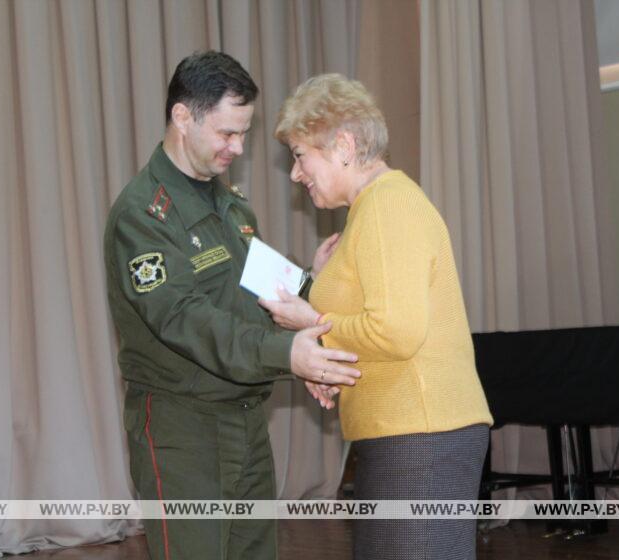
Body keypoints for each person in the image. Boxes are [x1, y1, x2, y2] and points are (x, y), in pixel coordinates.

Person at [103, 52, 361, 560]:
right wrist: (288, 355)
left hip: (245, 423)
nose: (238, 148)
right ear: (182, 117)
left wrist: (312, 287)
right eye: (226, 133)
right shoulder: (143, 215)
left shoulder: (230, 204)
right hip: (183, 431)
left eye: (243, 133)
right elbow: (187, 321)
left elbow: (260, 289)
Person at [261, 74, 494, 560]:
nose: (295, 173)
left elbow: (396, 332)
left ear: (343, 145)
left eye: (301, 155)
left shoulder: (389, 204)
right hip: (404, 431)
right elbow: (377, 327)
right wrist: (331, 365)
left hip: (422, 435)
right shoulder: (370, 210)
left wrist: (315, 325)